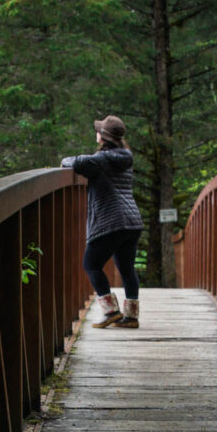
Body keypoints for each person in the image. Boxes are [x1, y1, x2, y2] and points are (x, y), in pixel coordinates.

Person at [61, 115, 144, 329]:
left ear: (103, 137)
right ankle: (131, 316)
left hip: (112, 220)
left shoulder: (102, 159)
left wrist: (65, 161)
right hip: (132, 220)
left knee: (91, 264)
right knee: (126, 268)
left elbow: (77, 163)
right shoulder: (125, 157)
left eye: (98, 131)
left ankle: (110, 311)